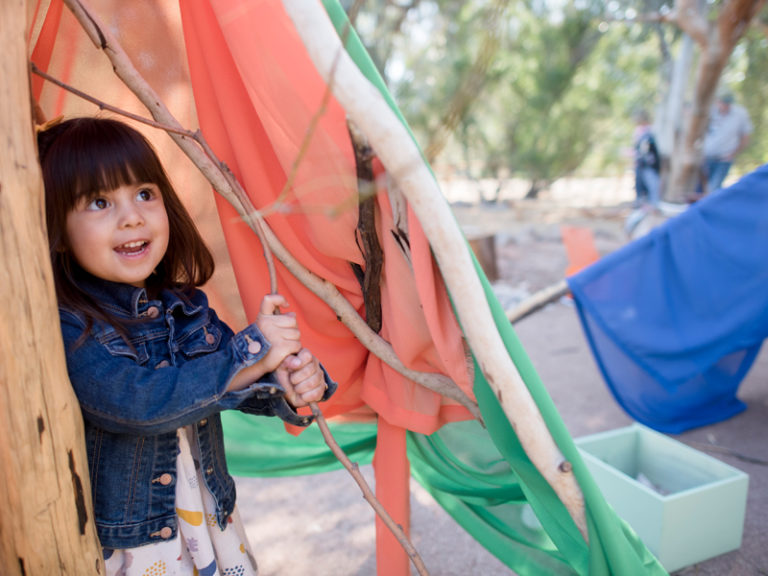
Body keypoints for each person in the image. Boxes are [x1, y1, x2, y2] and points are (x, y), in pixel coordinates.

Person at [37, 116, 336, 576]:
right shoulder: (72, 324)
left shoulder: (185, 307)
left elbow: (230, 379)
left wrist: (287, 383)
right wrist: (251, 354)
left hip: (208, 519)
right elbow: (136, 403)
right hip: (139, 545)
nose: (132, 216)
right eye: (99, 202)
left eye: (144, 193)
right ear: (56, 229)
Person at [703, 91, 753, 192]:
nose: (725, 106)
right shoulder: (710, 111)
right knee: (701, 188)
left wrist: (732, 154)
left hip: (724, 160)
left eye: (728, 103)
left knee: (713, 188)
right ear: (717, 101)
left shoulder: (740, 114)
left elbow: (746, 136)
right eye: (723, 103)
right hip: (706, 158)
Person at [632, 109, 661, 207]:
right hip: (642, 165)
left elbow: (645, 150)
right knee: (643, 188)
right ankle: (646, 206)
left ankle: (653, 207)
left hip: (649, 166)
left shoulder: (649, 132)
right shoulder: (639, 131)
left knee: (652, 188)